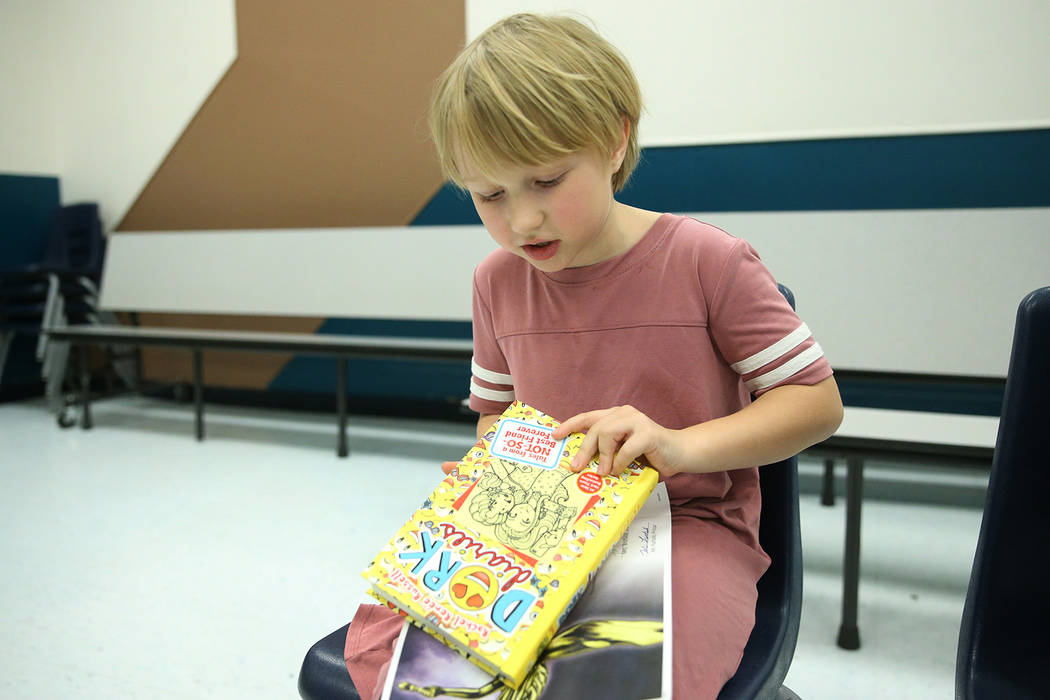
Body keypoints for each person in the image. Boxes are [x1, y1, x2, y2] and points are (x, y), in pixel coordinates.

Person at [344, 12, 843, 699]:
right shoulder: (496, 281)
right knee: (394, 655)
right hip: (540, 532)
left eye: (546, 181)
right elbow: (494, 419)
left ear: (614, 140)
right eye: (489, 195)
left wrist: (678, 445)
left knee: (612, 679)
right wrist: (492, 480)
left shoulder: (708, 262)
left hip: (682, 528)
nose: (522, 222)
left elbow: (817, 404)